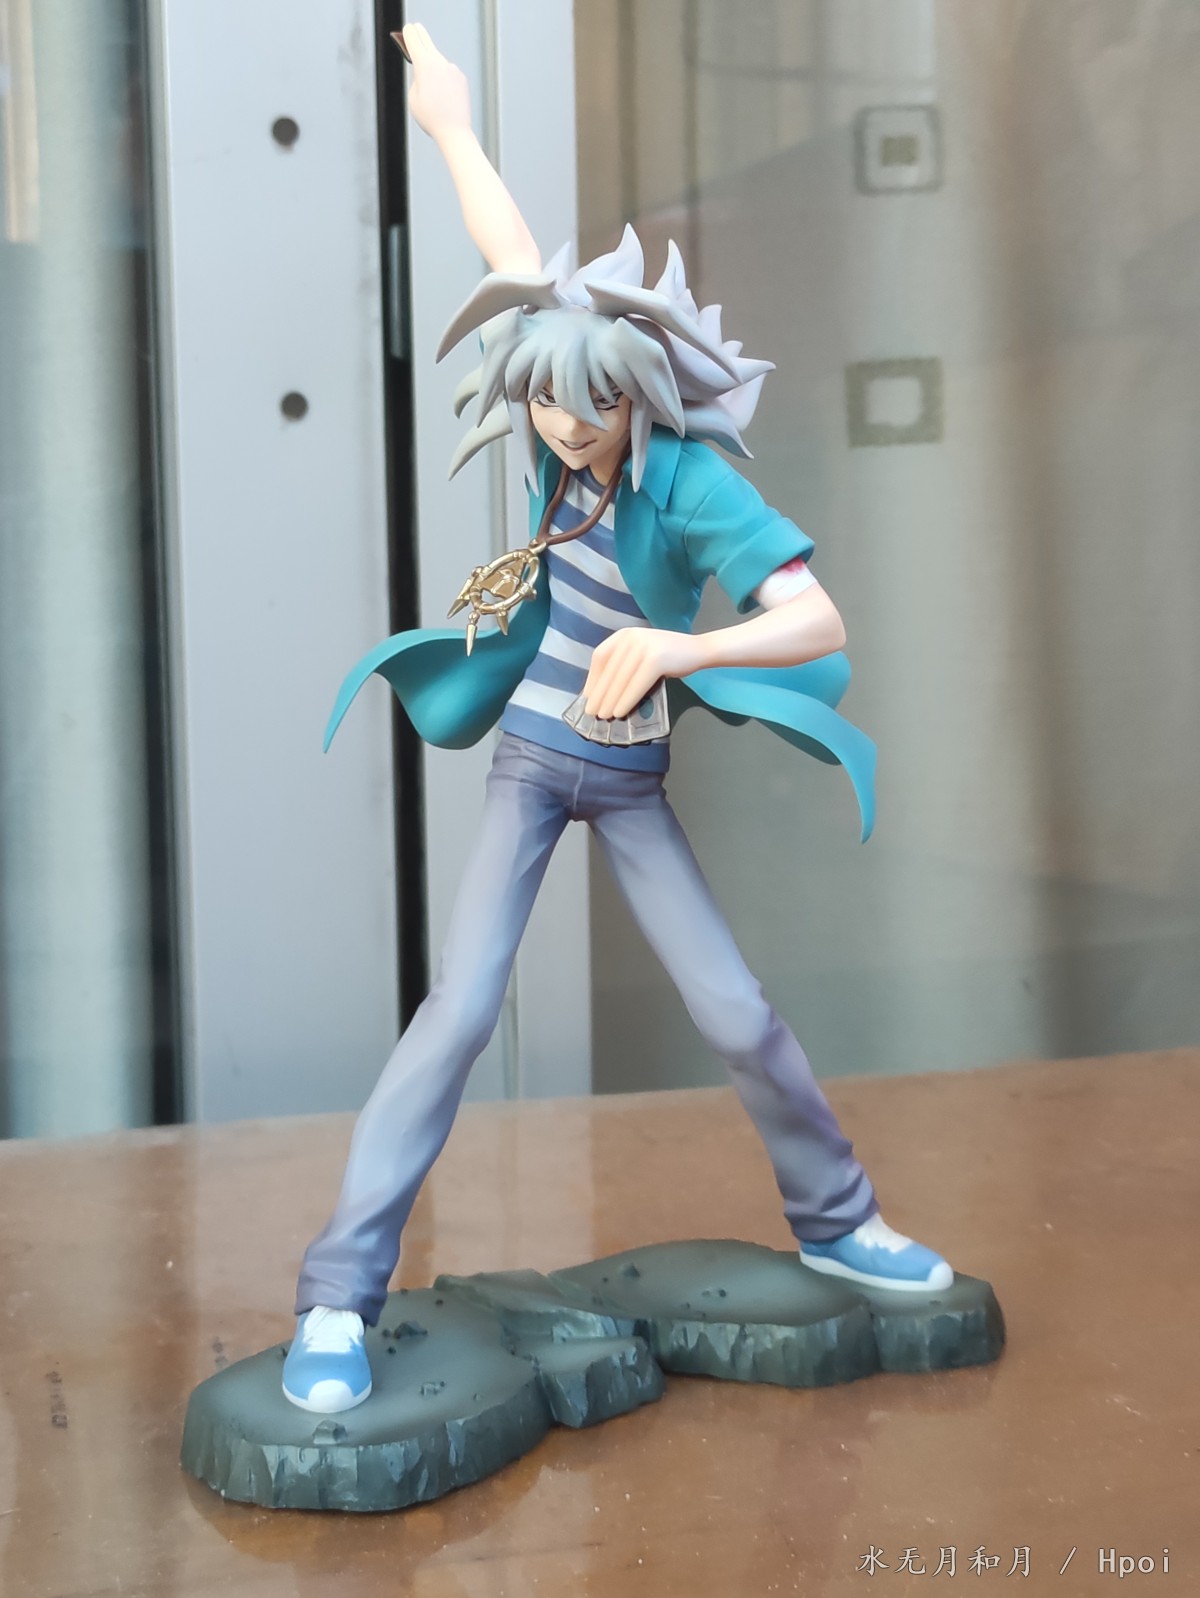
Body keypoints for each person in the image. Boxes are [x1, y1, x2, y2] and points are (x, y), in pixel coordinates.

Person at [282, 23, 953, 1416]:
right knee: (458, 1012)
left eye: (584, 407)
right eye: (542, 399)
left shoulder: (691, 481)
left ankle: (840, 1221)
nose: (558, 424)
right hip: (533, 761)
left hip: (631, 777)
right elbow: (512, 251)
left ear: (634, 395)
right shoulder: (553, 391)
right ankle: (336, 1298)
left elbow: (819, 619)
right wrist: (450, 125)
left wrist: (680, 643)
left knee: (737, 1011)